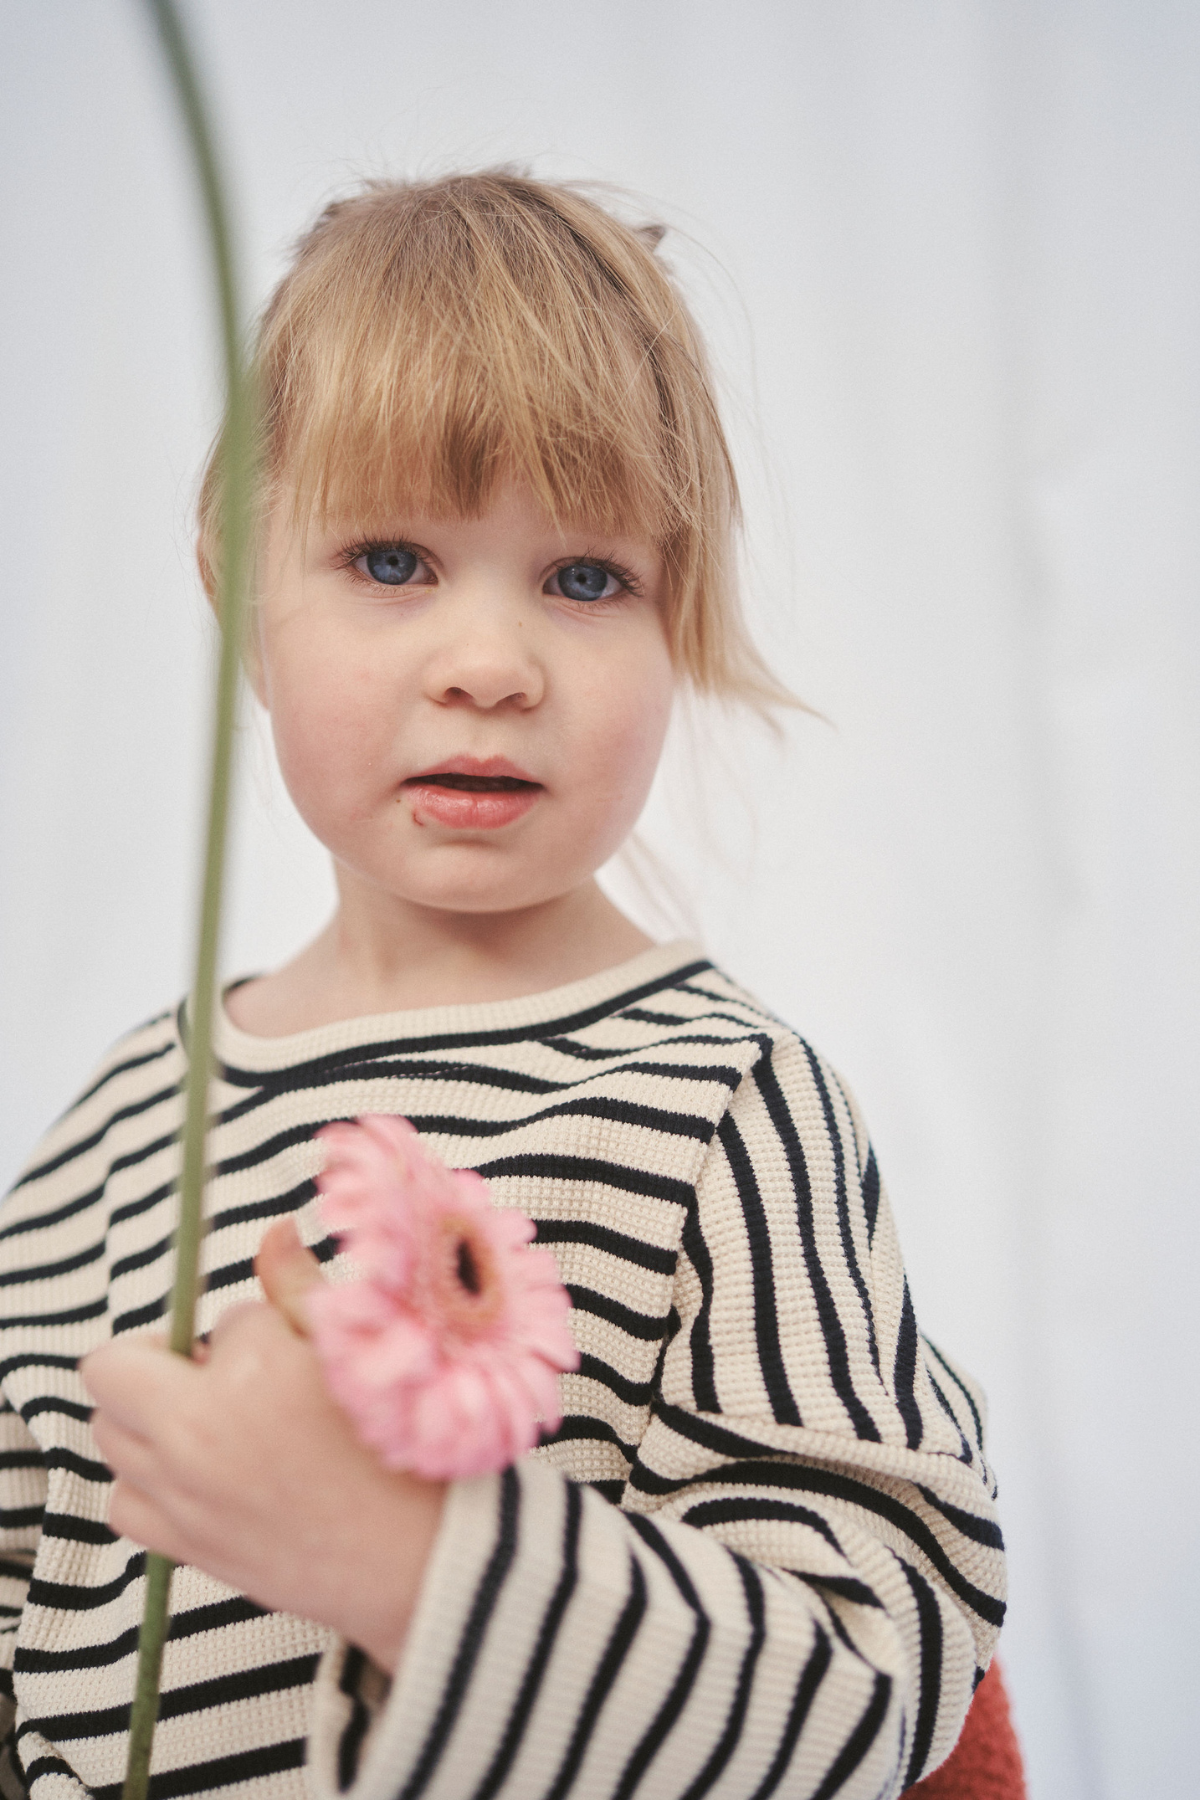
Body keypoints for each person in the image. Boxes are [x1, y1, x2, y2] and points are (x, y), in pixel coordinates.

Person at [1, 172, 1006, 1800]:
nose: (491, 662)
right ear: (236, 590)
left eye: (586, 579)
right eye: (392, 558)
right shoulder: (114, 1135)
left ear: (679, 618)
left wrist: (408, 1563)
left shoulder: (720, 1104)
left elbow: (874, 1672)